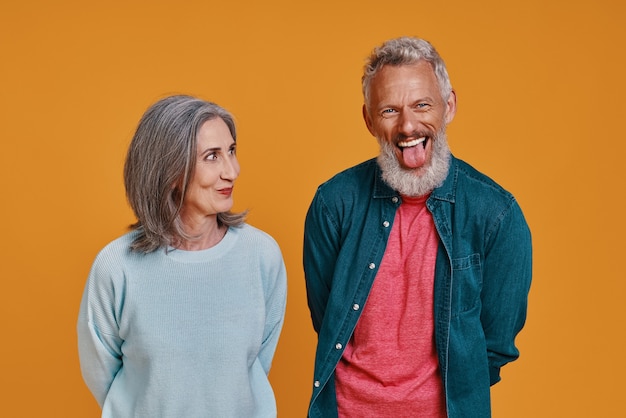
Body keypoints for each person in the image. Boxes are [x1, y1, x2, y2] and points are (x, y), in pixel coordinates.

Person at [303, 37, 532, 418]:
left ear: (449, 106)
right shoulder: (333, 204)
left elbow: (495, 345)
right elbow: (328, 318)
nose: (408, 125)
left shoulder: (496, 215)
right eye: (389, 109)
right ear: (369, 119)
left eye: (422, 104)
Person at [77, 95, 287, 417]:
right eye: (212, 157)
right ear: (170, 171)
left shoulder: (261, 255)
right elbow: (102, 374)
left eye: (231, 151)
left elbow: (255, 365)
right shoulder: (116, 266)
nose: (232, 171)